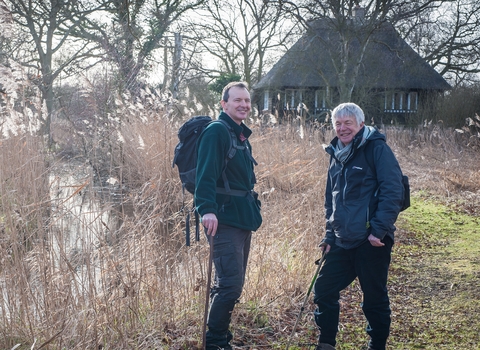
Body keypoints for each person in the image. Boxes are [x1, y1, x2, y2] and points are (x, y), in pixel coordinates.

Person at [314, 102, 404, 350]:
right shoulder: (335, 155)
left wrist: (379, 230)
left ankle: (377, 345)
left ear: (360, 125)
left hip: (371, 240)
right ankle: (326, 343)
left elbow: (393, 190)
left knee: (373, 298)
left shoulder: (377, 149)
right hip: (342, 240)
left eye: (348, 124)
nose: (342, 129)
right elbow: (331, 201)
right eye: (338, 124)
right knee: (323, 289)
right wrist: (329, 236)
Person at [195, 81, 262, 350]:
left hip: (241, 218)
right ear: (224, 104)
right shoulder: (217, 132)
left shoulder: (240, 135)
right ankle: (214, 343)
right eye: (237, 100)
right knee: (231, 286)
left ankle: (222, 339)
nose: (244, 105)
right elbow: (205, 175)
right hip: (222, 220)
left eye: (246, 100)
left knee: (228, 284)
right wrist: (206, 209)